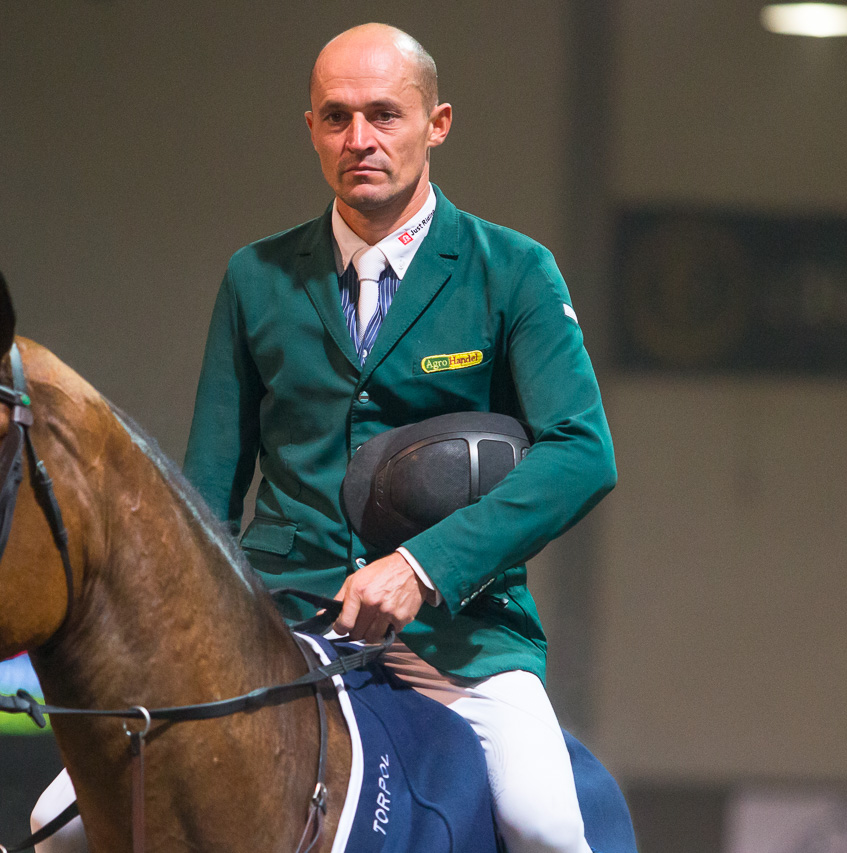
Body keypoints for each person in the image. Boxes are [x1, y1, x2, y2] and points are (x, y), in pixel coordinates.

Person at [181, 22, 617, 853]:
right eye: (336, 118)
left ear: (436, 123)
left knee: (547, 824)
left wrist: (424, 566)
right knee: (62, 821)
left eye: (384, 114)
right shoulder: (254, 276)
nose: (360, 139)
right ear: (311, 129)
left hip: (459, 634)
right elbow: (206, 489)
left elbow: (582, 451)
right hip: (281, 621)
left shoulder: (513, 270)